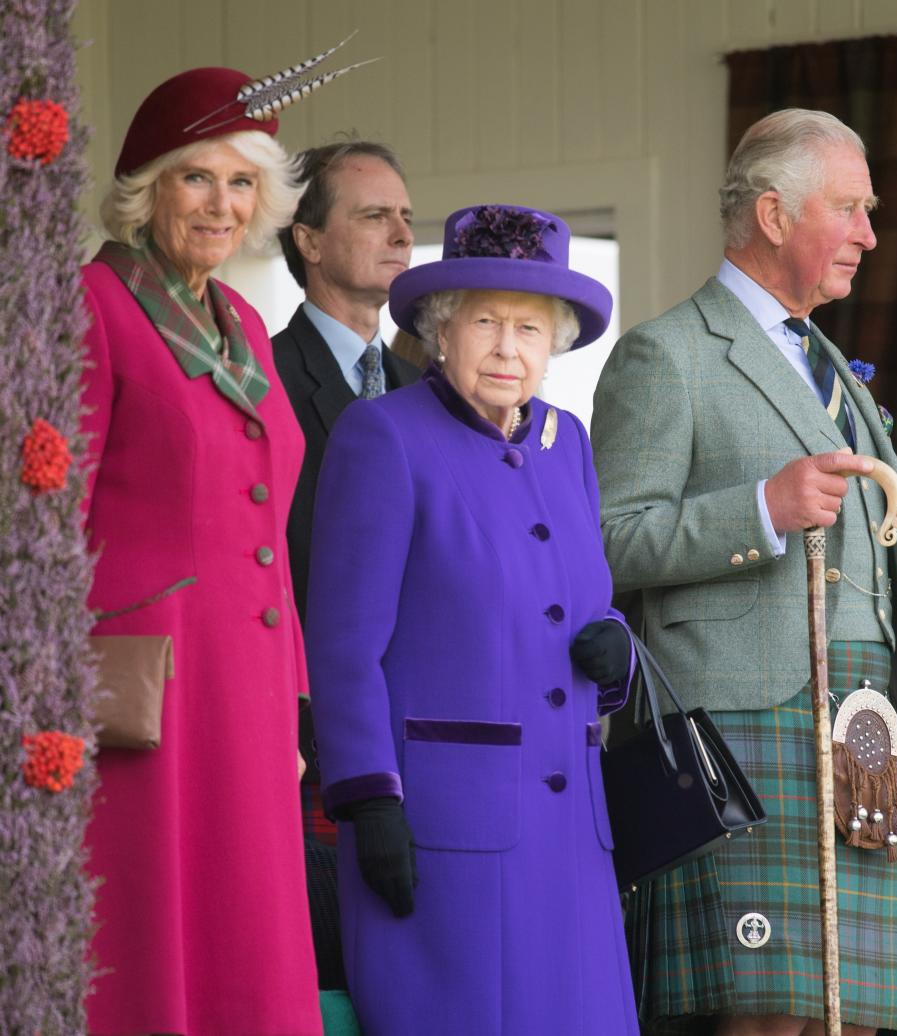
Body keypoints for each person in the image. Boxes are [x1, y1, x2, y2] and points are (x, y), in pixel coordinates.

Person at [592, 109, 897, 1036]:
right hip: (741, 724)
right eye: (851, 208)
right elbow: (608, 540)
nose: (870, 233)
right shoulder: (666, 356)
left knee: (853, 1016)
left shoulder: (835, 371)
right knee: (766, 1017)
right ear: (776, 216)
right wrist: (760, 512)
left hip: (856, 731)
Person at [304, 204, 641, 1036]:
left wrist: (616, 655)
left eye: (530, 327)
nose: (507, 347)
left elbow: (584, 605)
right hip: (445, 838)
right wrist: (368, 799)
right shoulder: (382, 436)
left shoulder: (571, 446)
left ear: (554, 343)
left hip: (569, 839)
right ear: (440, 330)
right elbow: (343, 646)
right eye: (486, 321)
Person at [78, 59, 361, 1033]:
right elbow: (46, 524)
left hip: (246, 687)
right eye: (198, 176)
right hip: (143, 687)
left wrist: (289, 698)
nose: (222, 203)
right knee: (156, 936)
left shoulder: (242, 320)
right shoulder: (94, 305)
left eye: (243, 182)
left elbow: (268, 533)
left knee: (249, 935)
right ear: (147, 186)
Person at [272, 141, 421, 1002]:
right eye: (373, 215)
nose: (402, 232)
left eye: (406, 214)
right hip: (310, 740)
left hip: (421, 742)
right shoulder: (263, 377)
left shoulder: (423, 388)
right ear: (310, 242)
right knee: (322, 988)